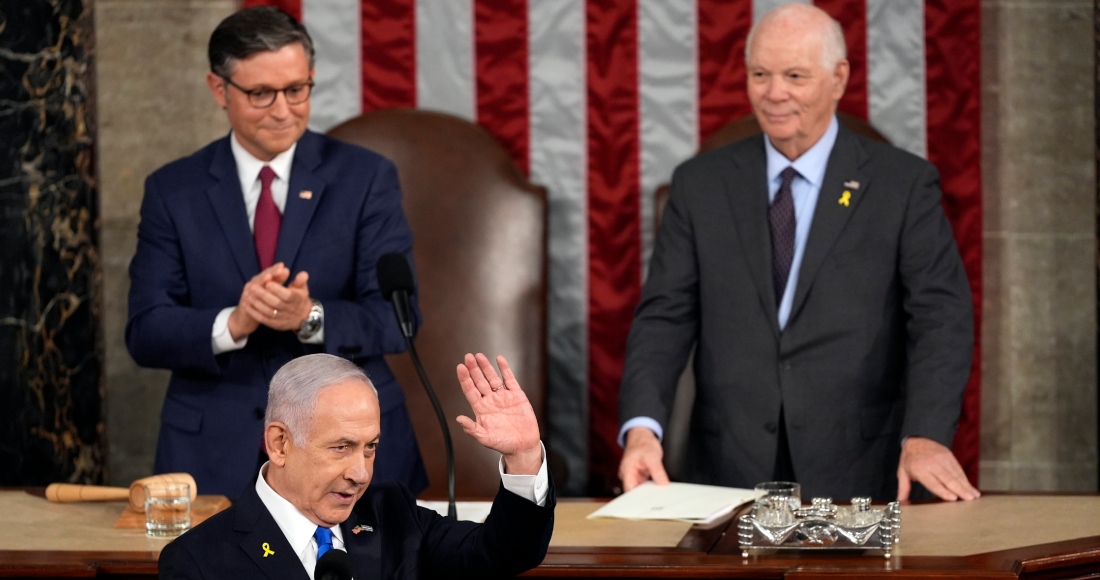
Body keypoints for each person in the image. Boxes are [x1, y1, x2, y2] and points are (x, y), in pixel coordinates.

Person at [617, 4, 980, 503]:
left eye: (794, 75)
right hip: (728, 473)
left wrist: (926, 434)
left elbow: (942, 318)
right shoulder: (701, 184)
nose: (774, 93)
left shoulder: (902, 186)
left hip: (860, 471)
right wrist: (642, 429)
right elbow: (664, 318)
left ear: (838, 78)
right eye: (760, 74)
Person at [126, 6, 427, 499]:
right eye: (261, 93)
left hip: (348, 455)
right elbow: (145, 331)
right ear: (219, 89)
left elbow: (396, 320)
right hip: (212, 453)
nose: (283, 110)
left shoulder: (365, 179)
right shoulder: (172, 190)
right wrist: (234, 323)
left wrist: (308, 316)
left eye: (296, 90)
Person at [158, 352, 554, 580]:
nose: (360, 473)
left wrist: (522, 456)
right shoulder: (198, 562)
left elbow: (504, 552)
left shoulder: (393, 516)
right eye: (341, 447)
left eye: (370, 448)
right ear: (279, 443)